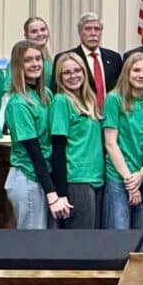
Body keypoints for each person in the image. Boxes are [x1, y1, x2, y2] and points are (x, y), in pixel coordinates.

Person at [5, 40, 71, 228]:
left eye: (38, 58)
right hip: (28, 177)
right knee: (33, 241)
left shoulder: (46, 94)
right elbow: (34, 151)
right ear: (18, 65)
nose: (35, 64)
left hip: (45, 177)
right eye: (28, 60)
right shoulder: (19, 103)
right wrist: (52, 194)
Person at [103, 53, 143, 236]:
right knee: (119, 234)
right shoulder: (114, 99)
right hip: (119, 176)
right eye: (136, 70)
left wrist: (142, 172)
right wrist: (130, 180)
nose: (141, 75)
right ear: (127, 73)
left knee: (142, 235)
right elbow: (110, 143)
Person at [49, 54, 105, 229]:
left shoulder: (89, 100)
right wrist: (61, 194)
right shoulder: (61, 101)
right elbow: (58, 148)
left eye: (77, 70)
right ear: (59, 77)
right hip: (76, 180)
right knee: (81, 240)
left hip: (96, 177)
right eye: (67, 73)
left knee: (94, 239)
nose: (73, 76)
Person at [54, 12, 122, 109]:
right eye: (88, 29)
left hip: (110, 113)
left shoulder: (114, 58)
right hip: (79, 112)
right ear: (80, 32)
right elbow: (56, 89)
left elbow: (120, 89)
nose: (93, 33)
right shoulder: (66, 59)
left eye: (97, 29)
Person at [23, 16, 53, 83]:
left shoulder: (51, 60)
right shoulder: (20, 58)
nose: (40, 34)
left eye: (43, 29)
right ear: (26, 36)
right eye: (34, 31)